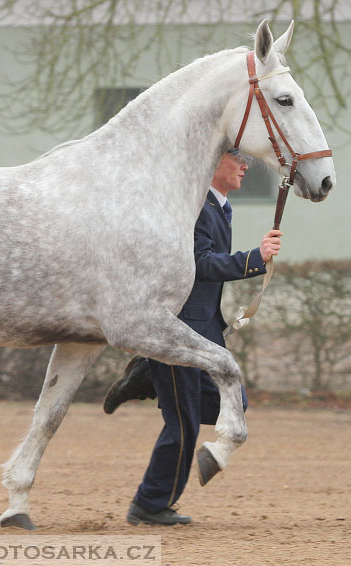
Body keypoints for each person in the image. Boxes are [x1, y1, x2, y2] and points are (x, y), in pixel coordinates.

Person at [103, 148, 282, 526]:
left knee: (233, 405)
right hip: (180, 328)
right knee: (182, 423)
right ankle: (149, 506)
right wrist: (255, 258)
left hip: (204, 328)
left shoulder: (220, 206)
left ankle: (147, 376)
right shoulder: (198, 207)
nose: (246, 166)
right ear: (214, 163)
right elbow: (198, 263)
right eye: (237, 158)